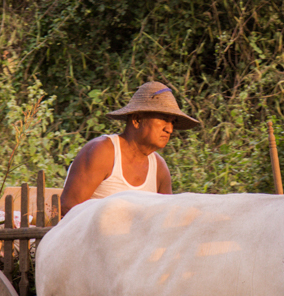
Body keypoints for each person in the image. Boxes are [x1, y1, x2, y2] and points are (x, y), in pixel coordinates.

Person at [59, 81, 201, 213]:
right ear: (137, 120)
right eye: (164, 119)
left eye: (173, 122)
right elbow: (69, 208)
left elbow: (165, 216)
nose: (169, 129)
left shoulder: (159, 168)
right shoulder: (103, 151)